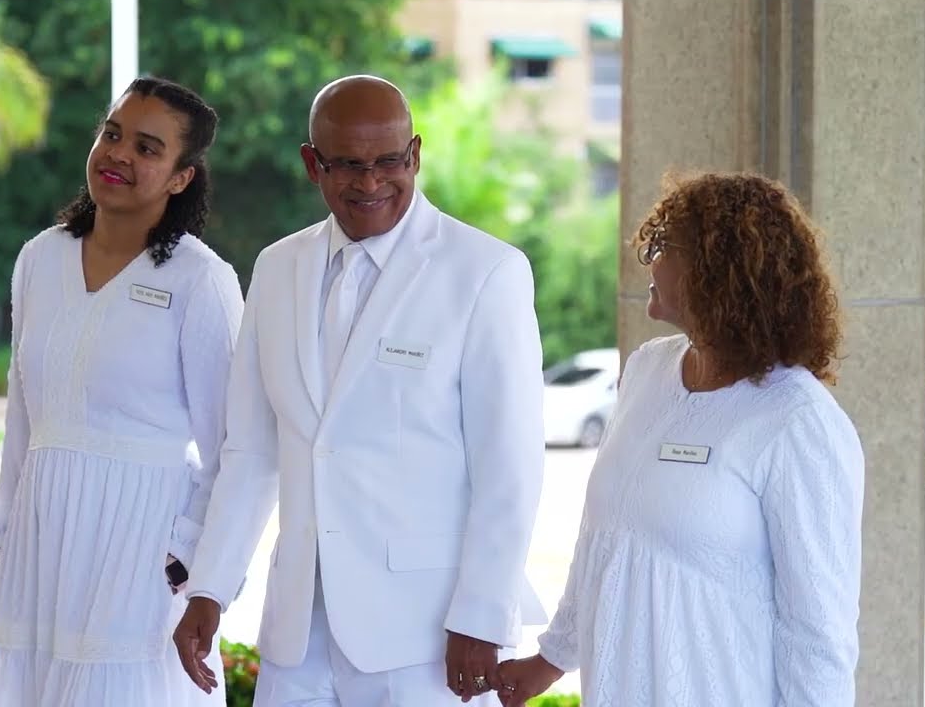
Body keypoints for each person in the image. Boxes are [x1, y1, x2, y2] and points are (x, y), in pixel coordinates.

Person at [173, 74, 547, 706]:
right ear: (311, 164)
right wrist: (210, 584)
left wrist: (484, 616)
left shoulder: (487, 272)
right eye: (348, 165)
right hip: (298, 631)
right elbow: (253, 450)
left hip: (426, 634)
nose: (371, 183)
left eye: (389, 162)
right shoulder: (277, 267)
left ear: (416, 154)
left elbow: (508, 467)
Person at [496, 172, 864, 707]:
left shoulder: (798, 421)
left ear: (717, 271)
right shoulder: (648, 369)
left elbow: (819, 635)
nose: (649, 260)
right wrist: (551, 658)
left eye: (665, 246)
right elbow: (605, 536)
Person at [0, 76, 243, 706]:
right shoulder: (39, 258)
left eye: (148, 148)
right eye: (113, 133)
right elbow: (25, 415)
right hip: (39, 543)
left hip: (140, 545)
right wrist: (10, 526)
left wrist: (189, 556)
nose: (118, 153)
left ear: (182, 177)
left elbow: (233, 447)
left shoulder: (201, 281)